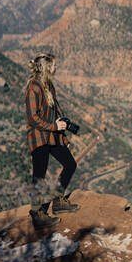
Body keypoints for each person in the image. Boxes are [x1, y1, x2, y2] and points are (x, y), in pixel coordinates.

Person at [25, 52, 80, 229]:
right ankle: (37, 213)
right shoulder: (33, 87)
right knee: (39, 176)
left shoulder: (49, 86)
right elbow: (33, 118)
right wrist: (54, 128)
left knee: (70, 164)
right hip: (39, 138)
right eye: (54, 65)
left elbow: (54, 115)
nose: (56, 68)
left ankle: (57, 201)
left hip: (53, 137)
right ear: (47, 67)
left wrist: (62, 135)